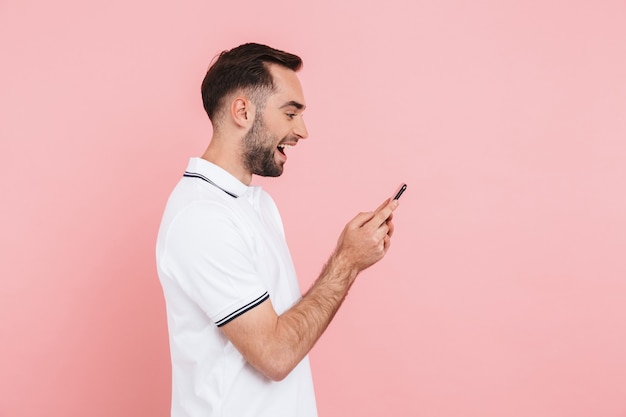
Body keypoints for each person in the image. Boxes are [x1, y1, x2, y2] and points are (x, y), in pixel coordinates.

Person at [156, 42, 399, 417]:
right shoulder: (201, 218)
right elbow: (276, 354)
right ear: (243, 111)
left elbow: (284, 334)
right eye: (290, 113)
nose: (302, 131)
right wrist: (348, 260)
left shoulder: (255, 205)